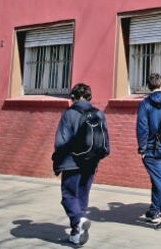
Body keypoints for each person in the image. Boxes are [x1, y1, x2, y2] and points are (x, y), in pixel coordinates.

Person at [53, 83, 109, 246]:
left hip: (72, 162)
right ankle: (76, 233)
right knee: (82, 196)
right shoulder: (99, 113)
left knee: (68, 196)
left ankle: (78, 220)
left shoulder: (69, 114)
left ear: (73, 97)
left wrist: (58, 160)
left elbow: (61, 140)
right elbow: (103, 139)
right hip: (91, 162)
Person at [137, 72, 161, 230]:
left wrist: (142, 148)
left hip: (153, 147)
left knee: (160, 181)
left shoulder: (145, 103)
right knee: (158, 178)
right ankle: (154, 210)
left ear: (148, 86)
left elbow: (142, 127)